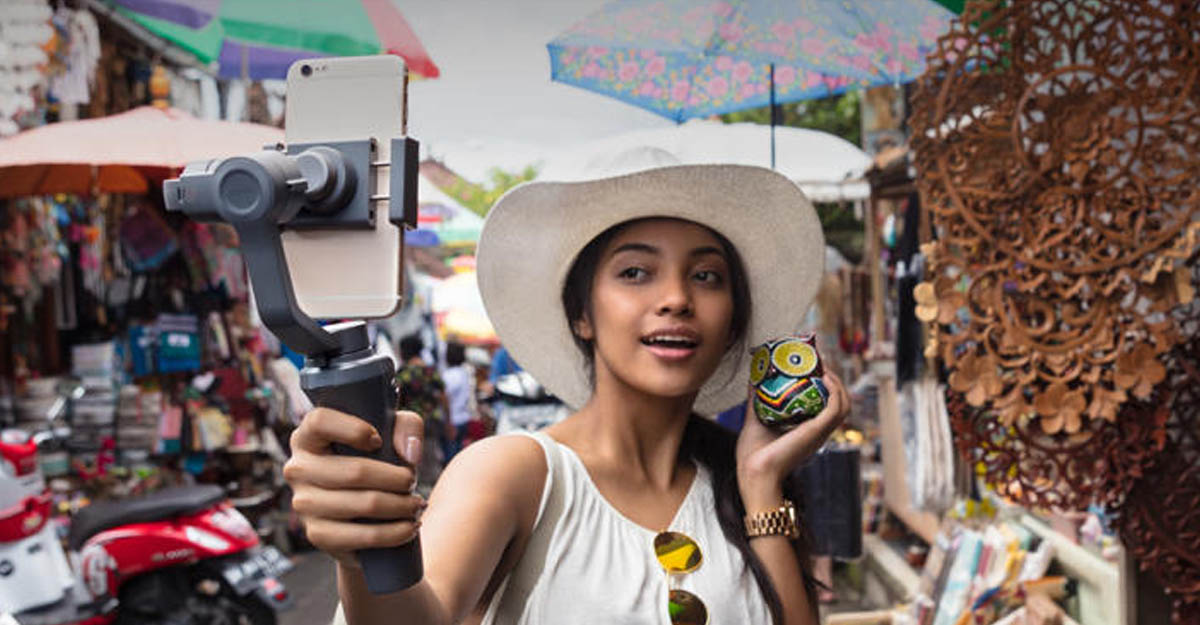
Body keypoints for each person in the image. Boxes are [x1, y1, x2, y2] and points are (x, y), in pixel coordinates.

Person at [284, 154, 849, 624]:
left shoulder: (742, 484)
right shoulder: (516, 473)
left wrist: (761, 481)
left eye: (706, 276)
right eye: (635, 272)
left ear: (731, 323)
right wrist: (366, 552)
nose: (677, 297)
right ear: (582, 313)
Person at [395, 334, 450, 494]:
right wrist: (449, 421)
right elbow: (444, 397)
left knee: (414, 459)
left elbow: (396, 400)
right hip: (433, 422)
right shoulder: (430, 370)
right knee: (433, 457)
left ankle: (422, 495)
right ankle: (437, 492)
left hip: (411, 423)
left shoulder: (403, 373)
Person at [441, 340, 475, 460]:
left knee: (450, 457)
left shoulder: (448, 376)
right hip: (463, 418)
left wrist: (448, 422)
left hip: (453, 420)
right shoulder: (464, 373)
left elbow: (445, 398)